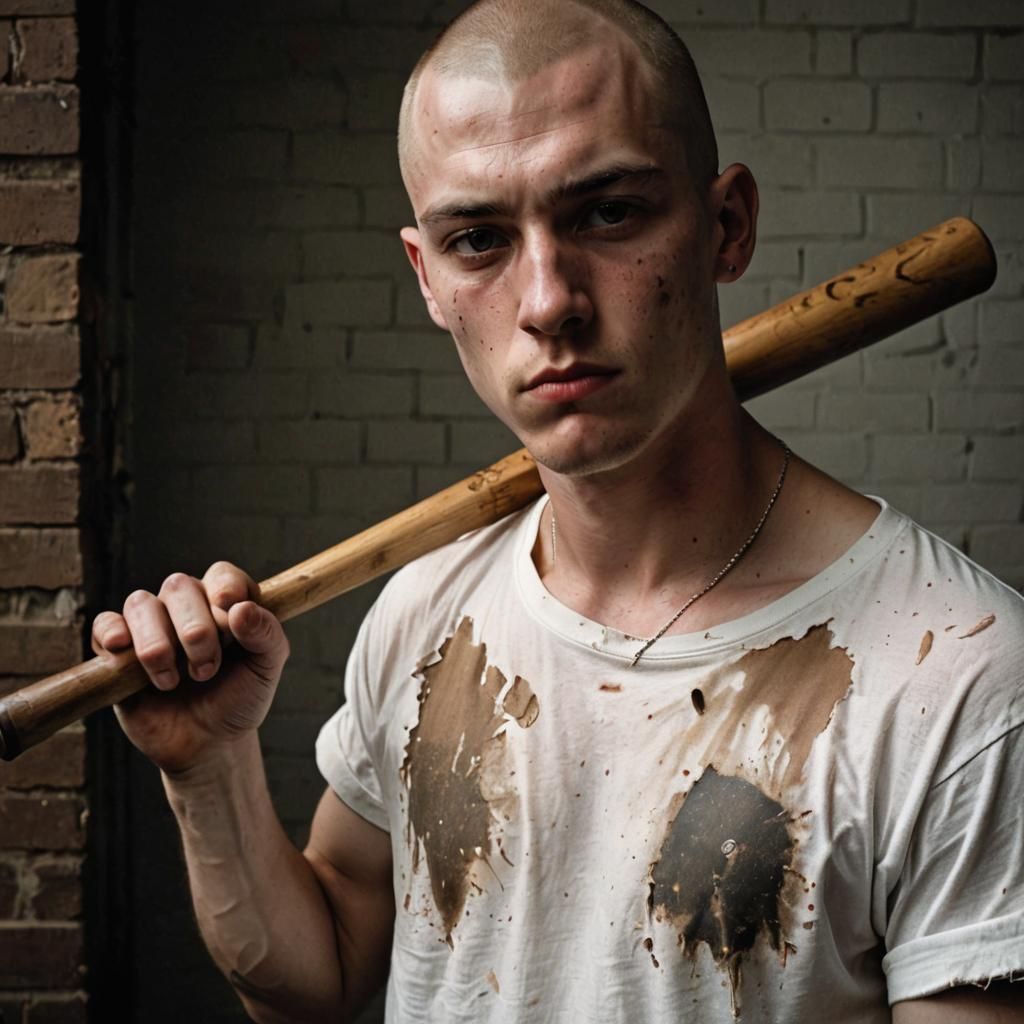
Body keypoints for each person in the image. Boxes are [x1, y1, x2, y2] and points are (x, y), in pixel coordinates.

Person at [91, 1, 1024, 1021]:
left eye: (608, 212)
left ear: (726, 225)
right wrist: (206, 769)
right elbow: (319, 974)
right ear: (429, 280)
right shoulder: (424, 611)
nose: (547, 299)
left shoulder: (961, 677)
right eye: (479, 239)